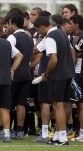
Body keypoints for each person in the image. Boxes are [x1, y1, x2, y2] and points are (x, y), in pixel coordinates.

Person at [34, 16, 75, 145]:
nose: (39, 33)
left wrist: (46, 73)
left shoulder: (50, 37)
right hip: (68, 73)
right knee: (61, 105)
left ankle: (62, 138)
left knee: (57, 106)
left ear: (41, 27)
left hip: (58, 75)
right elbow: (71, 52)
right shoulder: (61, 33)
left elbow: (54, 59)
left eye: (38, 30)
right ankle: (58, 135)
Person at [7, 15, 34, 140]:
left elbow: (8, 55)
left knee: (6, 103)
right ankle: (19, 130)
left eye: (9, 24)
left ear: (13, 23)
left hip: (15, 74)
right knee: (21, 104)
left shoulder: (12, 37)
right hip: (26, 74)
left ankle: (5, 130)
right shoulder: (30, 38)